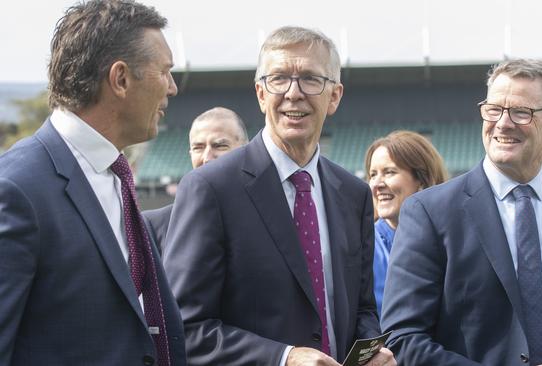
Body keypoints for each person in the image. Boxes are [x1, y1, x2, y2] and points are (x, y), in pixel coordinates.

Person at [164, 26, 396, 366]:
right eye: (279, 79)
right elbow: (183, 327)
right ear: (260, 93)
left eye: (311, 79)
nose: (293, 92)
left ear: (335, 96)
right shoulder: (210, 189)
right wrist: (282, 358)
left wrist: (371, 351)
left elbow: (361, 308)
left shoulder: (353, 194)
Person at [381, 59, 542, 365]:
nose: (503, 123)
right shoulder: (429, 212)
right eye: (494, 109)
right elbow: (403, 339)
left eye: (522, 112)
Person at [0, 1, 186, 365]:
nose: (173, 88)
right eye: (164, 72)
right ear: (120, 79)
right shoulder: (17, 189)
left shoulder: (115, 172)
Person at [142, 107, 248, 253]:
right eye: (198, 147)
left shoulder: (270, 220)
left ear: (245, 151)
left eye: (220, 146)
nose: (207, 158)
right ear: (190, 153)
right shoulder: (154, 226)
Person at [364, 130, 448, 314]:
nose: (376, 184)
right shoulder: (364, 247)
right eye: (372, 174)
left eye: (389, 172)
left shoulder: (453, 241)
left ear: (422, 180)